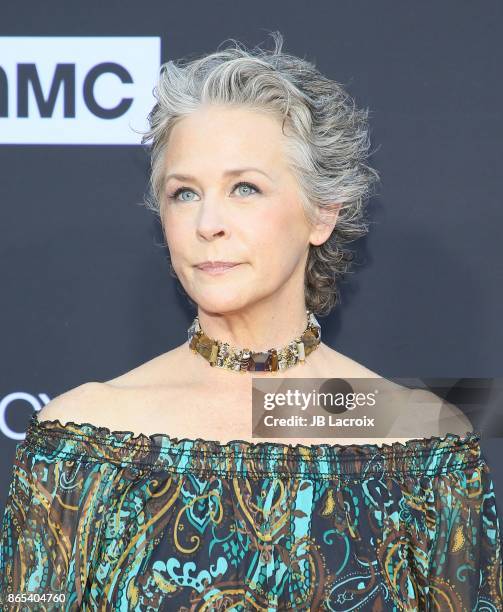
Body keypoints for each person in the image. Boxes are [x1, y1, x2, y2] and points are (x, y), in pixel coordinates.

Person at [1, 31, 501, 611]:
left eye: (244, 188)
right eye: (184, 193)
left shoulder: (419, 442)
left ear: (322, 213)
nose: (208, 222)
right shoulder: (80, 440)